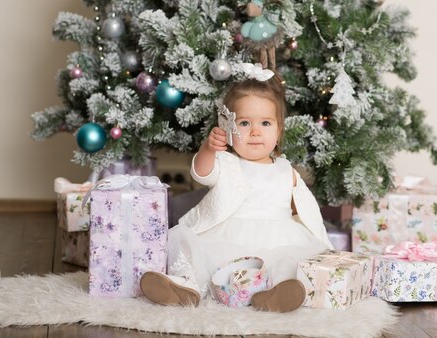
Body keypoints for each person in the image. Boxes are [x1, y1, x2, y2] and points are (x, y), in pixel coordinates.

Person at [140, 66, 333, 312]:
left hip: (277, 239)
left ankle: (275, 293)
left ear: (278, 130)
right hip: (227, 237)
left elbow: (306, 210)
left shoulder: (287, 170)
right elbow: (201, 172)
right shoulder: (227, 162)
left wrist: (320, 241)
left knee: (289, 262)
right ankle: (185, 286)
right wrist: (208, 150)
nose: (255, 132)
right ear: (229, 128)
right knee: (187, 245)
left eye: (265, 123)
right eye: (244, 123)